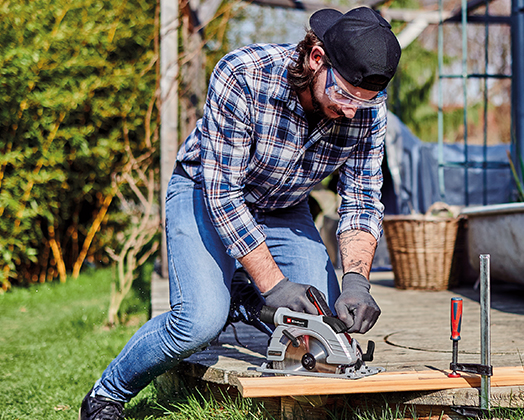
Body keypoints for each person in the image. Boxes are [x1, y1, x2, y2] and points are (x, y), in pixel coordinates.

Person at [79, 6, 401, 420]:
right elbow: (224, 194)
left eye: (367, 100)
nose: (354, 111)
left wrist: (356, 280)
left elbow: (360, 197)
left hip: (284, 205)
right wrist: (274, 284)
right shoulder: (244, 74)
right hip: (205, 191)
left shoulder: (367, 109)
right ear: (316, 59)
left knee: (326, 322)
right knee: (199, 321)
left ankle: (243, 293)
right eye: (345, 95)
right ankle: (107, 395)